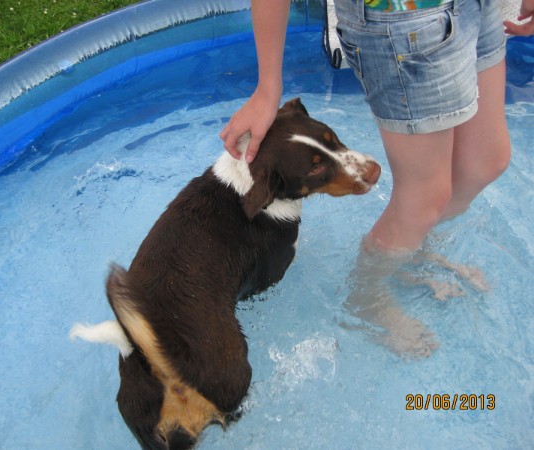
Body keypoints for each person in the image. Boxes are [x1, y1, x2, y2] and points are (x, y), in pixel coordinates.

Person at [220, 0, 517, 357]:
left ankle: (409, 253)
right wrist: (268, 87)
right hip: (404, 18)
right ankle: (366, 297)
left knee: (486, 161)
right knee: (425, 198)